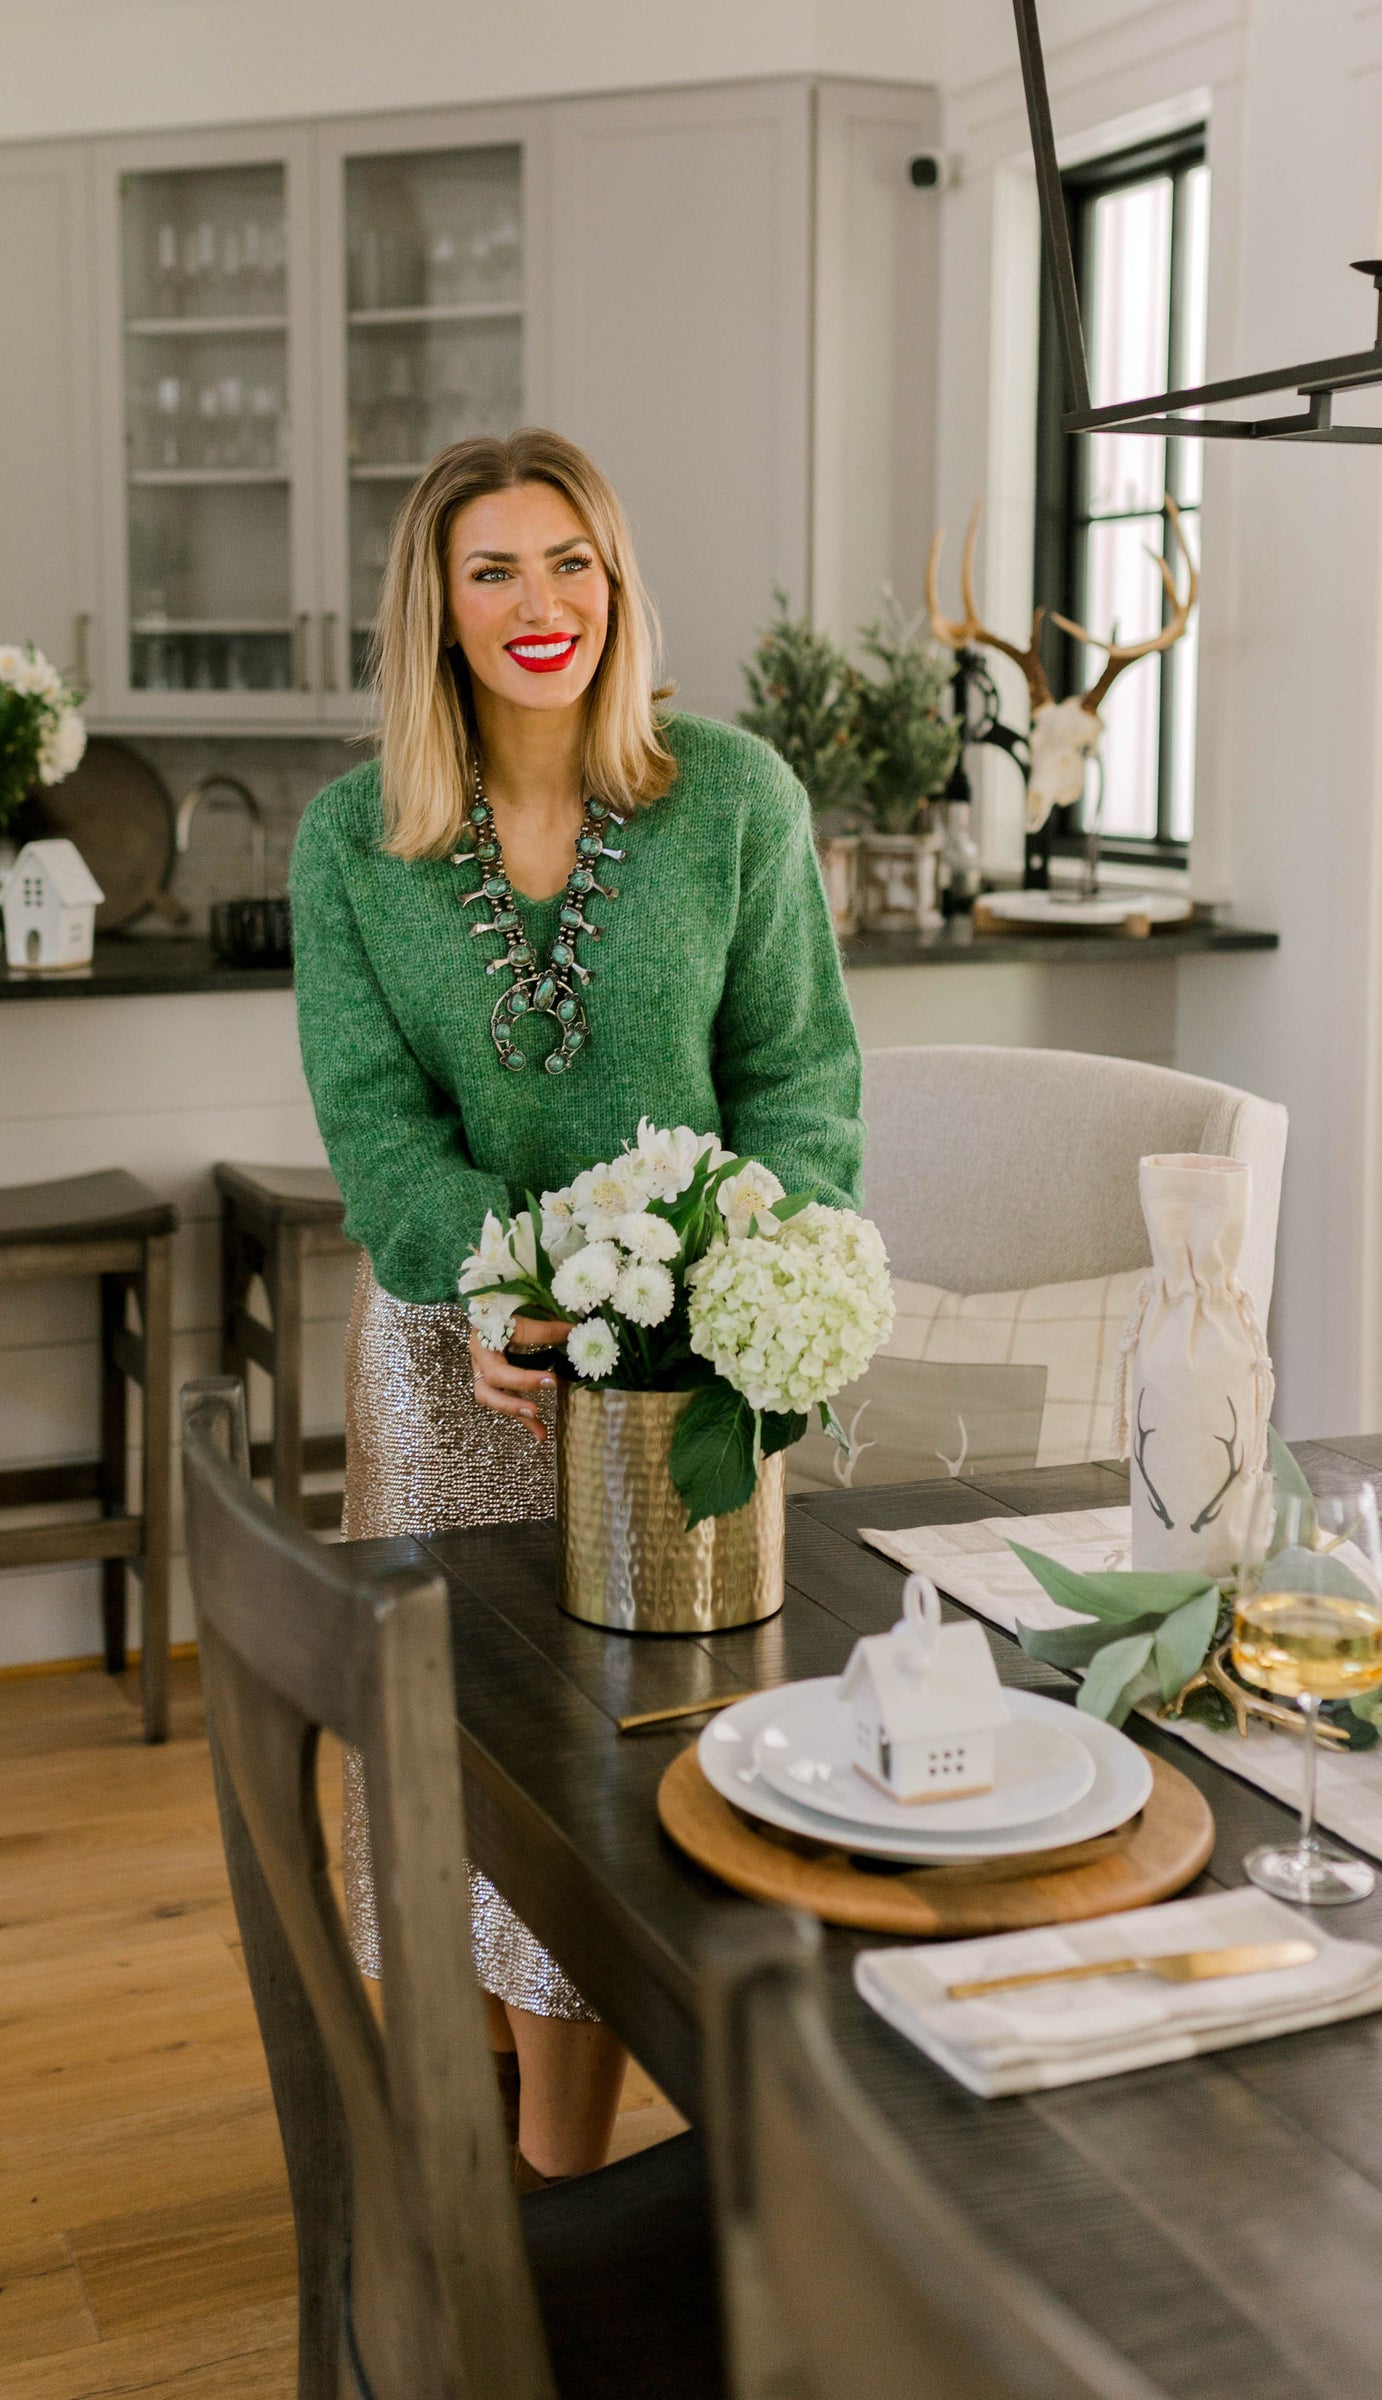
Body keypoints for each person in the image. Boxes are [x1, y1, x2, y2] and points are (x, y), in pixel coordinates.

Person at [289, 427, 862, 2186]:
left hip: (683, 1378)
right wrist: (496, 1279)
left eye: (571, 563)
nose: (541, 605)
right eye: (493, 571)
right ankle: (465, 2135)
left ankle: (553, 2183)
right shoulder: (350, 840)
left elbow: (802, 1088)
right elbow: (375, 1120)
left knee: (627, 1778)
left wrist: (767, 1292)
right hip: (448, 1359)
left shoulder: (738, 799)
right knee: (449, 1775)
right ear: (435, 608)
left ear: (616, 581)